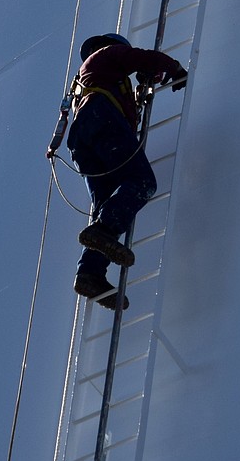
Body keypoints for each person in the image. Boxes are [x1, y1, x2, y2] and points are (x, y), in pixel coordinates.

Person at [47, 33, 188, 308]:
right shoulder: (106, 55)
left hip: (83, 140)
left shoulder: (88, 80)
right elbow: (140, 58)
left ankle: (90, 273)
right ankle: (101, 235)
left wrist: (143, 88)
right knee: (141, 181)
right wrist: (173, 67)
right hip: (101, 118)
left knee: (106, 205)